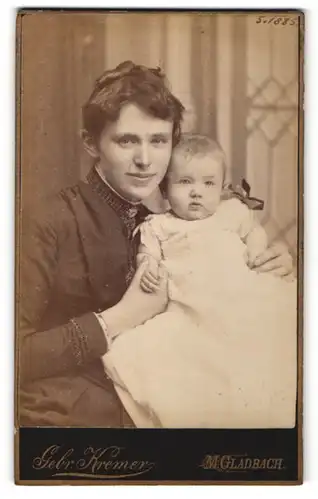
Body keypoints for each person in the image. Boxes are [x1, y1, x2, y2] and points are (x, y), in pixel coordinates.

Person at [18, 61, 295, 427]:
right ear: (91, 143)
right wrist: (115, 320)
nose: (145, 161)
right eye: (127, 140)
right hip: (71, 418)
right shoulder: (47, 221)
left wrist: (263, 264)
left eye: (159, 141)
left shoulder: (168, 224)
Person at [104, 134, 297, 429]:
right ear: (165, 190)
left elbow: (255, 233)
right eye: (185, 182)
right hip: (191, 307)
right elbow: (147, 255)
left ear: (222, 189)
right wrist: (149, 265)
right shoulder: (158, 225)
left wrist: (259, 251)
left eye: (208, 184)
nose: (197, 192)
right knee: (188, 363)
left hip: (242, 295)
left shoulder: (232, 213)